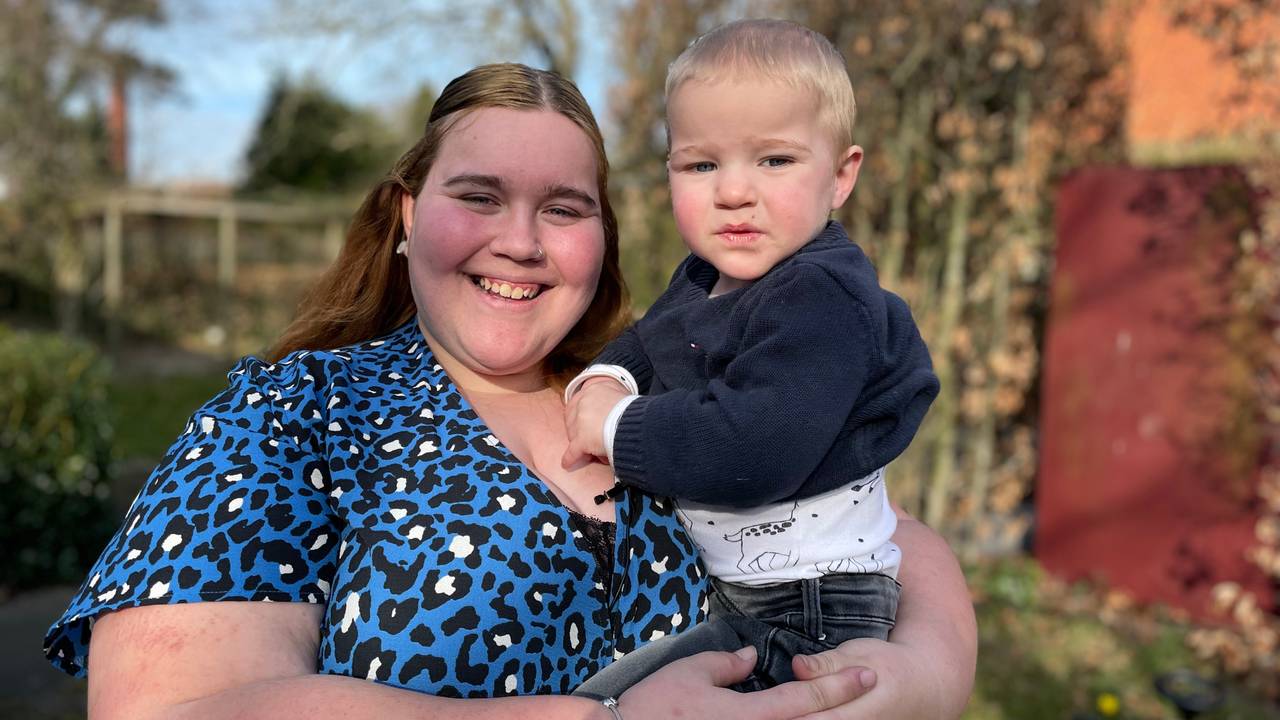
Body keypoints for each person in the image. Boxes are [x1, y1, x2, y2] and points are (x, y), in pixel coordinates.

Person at [43, 62, 975, 719]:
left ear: (602, 238)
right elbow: (175, 710)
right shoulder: (295, 415)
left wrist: (931, 674)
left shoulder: (646, 395)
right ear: (407, 215)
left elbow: (874, 525)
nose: (522, 242)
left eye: (563, 209)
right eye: (480, 196)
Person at [563, 19, 938, 696]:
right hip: (750, 593)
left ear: (841, 177)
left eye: (775, 160)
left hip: (811, 609)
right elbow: (656, 339)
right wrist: (609, 376)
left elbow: (748, 453)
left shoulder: (818, 297)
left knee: (605, 706)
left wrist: (617, 429)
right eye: (702, 164)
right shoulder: (708, 275)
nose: (733, 191)